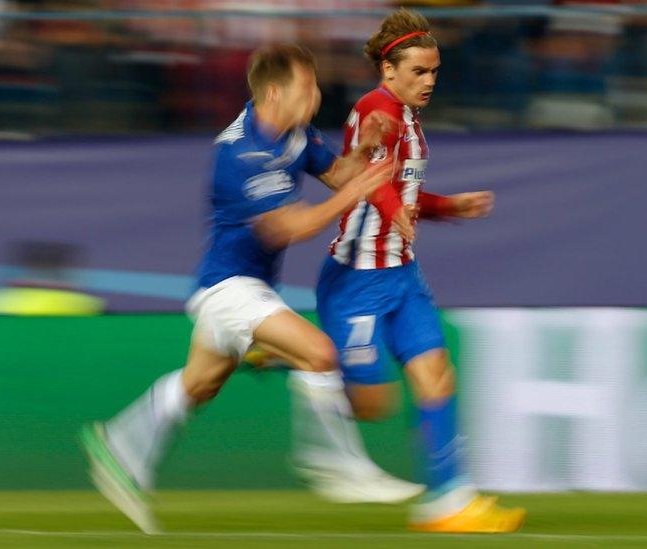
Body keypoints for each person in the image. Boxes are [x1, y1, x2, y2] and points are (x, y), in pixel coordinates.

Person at [79, 43, 396, 534]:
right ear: (274, 92)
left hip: (241, 289)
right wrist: (356, 194)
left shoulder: (295, 134)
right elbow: (288, 228)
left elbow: (337, 175)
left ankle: (117, 445)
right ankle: (338, 470)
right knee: (318, 353)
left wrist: (364, 150)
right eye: (305, 87)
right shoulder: (241, 153)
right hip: (231, 289)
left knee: (199, 386)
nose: (315, 96)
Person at [297, 8, 527, 533]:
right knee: (373, 404)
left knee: (437, 375)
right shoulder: (373, 110)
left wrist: (447, 207)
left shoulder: (411, 120)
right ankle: (294, 358)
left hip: (401, 274)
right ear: (388, 71)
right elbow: (368, 171)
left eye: (435, 72)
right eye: (420, 72)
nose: (429, 82)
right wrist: (387, 206)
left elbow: (402, 191)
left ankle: (447, 500)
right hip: (356, 279)